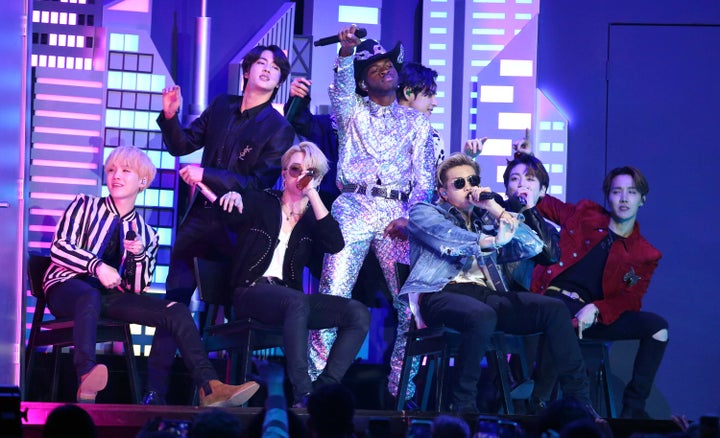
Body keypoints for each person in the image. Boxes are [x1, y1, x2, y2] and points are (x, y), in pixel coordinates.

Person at [43, 146, 259, 406]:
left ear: (142, 181)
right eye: (111, 170)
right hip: (67, 287)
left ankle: (210, 387)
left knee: (176, 311)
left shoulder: (147, 233)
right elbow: (59, 247)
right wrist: (97, 266)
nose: (116, 176)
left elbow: (137, 287)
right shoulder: (84, 204)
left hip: (110, 298)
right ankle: (87, 374)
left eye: (125, 170)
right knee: (88, 295)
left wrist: (138, 257)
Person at [148, 44, 296, 404]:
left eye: (275, 67)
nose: (266, 69)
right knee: (174, 303)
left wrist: (207, 174)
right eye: (260, 62)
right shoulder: (221, 107)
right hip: (199, 220)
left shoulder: (279, 128)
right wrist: (170, 117)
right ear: (246, 71)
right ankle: (154, 391)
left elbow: (257, 184)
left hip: (237, 231)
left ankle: (231, 391)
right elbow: (181, 145)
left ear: (278, 82)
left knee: (234, 310)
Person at [399, 152, 594, 413]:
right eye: (459, 183)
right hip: (439, 293)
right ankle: (464, 405)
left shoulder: (485, 219)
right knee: (482, 315)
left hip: (483, 294)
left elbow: (532, 246)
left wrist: (494, 208)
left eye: (473, 180)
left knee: (554, 309)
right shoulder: (425, 212)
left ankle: (580, 403)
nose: (468, 187)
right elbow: (448, 239)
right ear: (443, 192)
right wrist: (491, 242)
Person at [309, 25, 436, 401]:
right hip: (353, 206)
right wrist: (347, 54)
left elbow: (424, 180)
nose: (384, 68)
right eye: (374, 66)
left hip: (397, 213)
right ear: (363, 82)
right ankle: (318, 385)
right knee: (333, 295)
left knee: (410, 303)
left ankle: (403, 388)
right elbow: (342, 89)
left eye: (388, 63)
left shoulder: (417, 122)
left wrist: (410, 215)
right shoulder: (351, 113)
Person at [219, 141, 370, 408]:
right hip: (250, 291)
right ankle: (303, 393)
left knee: (357, 313)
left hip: (289, 302)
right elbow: (236, 211)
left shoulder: (314, 217)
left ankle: (325, 386)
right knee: (296, 300)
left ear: (319, 178)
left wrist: (313, 195)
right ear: (283, 173)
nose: (300, 177)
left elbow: (335, 245)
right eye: (294, 170)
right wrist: (235, 197)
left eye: (309, 172)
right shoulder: (262, 201)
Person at [531, 166, 667, 419]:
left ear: (642, 199)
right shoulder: (586, 215)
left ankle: (632, 412)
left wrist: (597, 309)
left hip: (591, 314)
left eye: (632, 192)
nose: (624, 199)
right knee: (558, 313)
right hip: (555, 300)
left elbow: (631, 298)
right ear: (608, 197)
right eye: (617, 192)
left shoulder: (645, 254)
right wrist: (529, 170)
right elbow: (545, 204)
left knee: (658, 328)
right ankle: (541, 398)